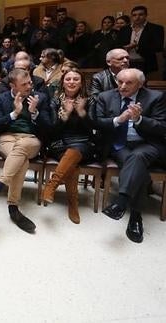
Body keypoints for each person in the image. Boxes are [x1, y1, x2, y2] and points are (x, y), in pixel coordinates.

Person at [95, 68, 166, 243]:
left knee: (137, 158)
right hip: (121, 144)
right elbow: (97, 122)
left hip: (148, 143)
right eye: (119, 82)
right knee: (134, 162)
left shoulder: (155, 97)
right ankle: (135, 215)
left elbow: (162, 127)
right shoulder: (105, 96)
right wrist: (119, 120)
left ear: (140, 84)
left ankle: (121, 203)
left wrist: (139, 119)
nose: (123, 86)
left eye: (129, 83)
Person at [0, 68, 51, 233]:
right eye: (24, 84)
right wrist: (14, 113)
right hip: (7, 138)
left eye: (29, 82)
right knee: (21, 160)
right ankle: (13, 209)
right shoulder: (1, 99)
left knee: (21, 148)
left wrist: (35, 113)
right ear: (13, 85)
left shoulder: (40, 98)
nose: (29, 86)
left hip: (31, 139)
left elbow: (49, 127)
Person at [42, 69, 94, 224]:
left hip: (84, 143)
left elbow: (95, 128)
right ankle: (73, 203)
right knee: (71, 164)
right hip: (60, 143)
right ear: (62, 83)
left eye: (76, 79)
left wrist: (81, 112)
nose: (71, 82)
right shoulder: (55, 101)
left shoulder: (90, 100)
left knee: (75, 152)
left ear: (82, 82)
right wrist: (65, 115)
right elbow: (51, 130)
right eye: (68, 79)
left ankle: (52, 184)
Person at [118, 6, 165, 74]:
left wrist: (137, 46)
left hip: (145, 63)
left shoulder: (156, 28)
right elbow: (118, 44)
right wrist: (125, 47)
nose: (137, 17)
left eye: (140, 14)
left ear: (146, 15)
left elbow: (158, 47)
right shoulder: (124, 29)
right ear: (131, 16)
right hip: (127, 62)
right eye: (134, 15)